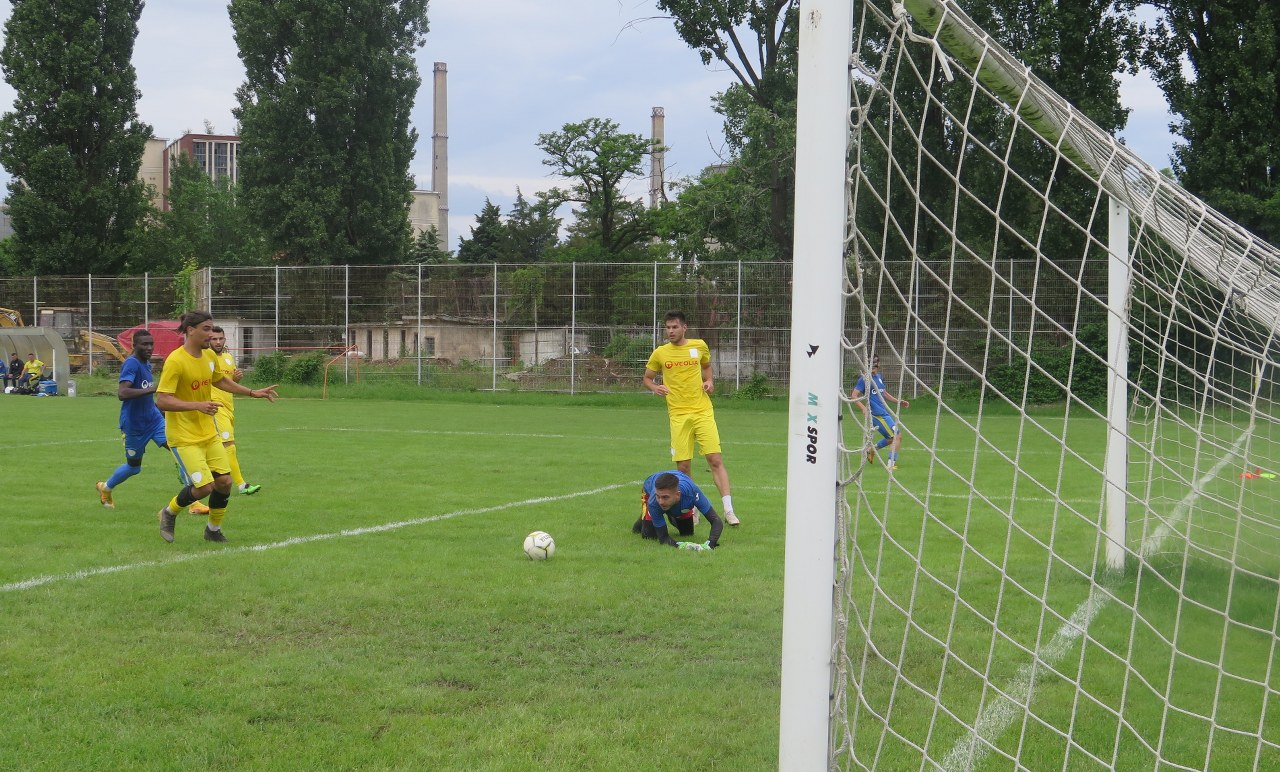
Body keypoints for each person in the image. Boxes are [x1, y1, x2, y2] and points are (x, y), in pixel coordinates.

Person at [154, 311, 278, 544]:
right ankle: (169, 513)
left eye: (212, 329)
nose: (211, 334)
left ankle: (213, 530)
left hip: (209, 433)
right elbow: (162, 400)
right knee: (204, 488)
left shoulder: (210, 355)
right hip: (183, 436)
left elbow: (220, 380)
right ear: (190, 330)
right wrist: (198, 405)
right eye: (206, 329)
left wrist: (253, 392)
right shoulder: (176, 361)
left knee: (225, 482)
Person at [643, 310, 740, 526]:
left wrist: (709, 381)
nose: (670, 331)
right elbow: (647, 378)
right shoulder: (660, 353)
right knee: (683, 467)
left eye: (674, 327)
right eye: (668, 327)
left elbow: (706, 366)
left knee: (715, 460)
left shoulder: (699, 346)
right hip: (678, 415)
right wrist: (655, 387)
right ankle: (693, 509)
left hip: (702, 411)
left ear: (684, 328)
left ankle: (729, 510)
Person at [96, 331, 167, 509]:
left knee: (179, 448)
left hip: (154, 420)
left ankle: (193, 501)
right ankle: (106, 488)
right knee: (134, 467)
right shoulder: (131, 364)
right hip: (134, 426)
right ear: (134, 346)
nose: (149, 348)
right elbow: (123, 393)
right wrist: (153, 389)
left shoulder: (146, 363)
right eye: (145, 344)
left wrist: (161, 411)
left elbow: (145, 395)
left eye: (151, 344)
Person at [208, 326, 262, 495]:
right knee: (228, 445)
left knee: (218, 446)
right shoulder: (206, 359)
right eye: (214, 339)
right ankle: (241, 485)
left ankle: (207, 478)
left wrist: (236, 379)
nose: (218, 342)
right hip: (215, 408)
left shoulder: (228, 358)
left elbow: (227, 383)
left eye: (220, 338)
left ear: (225, 340)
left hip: (229, 407)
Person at [631, 470, 724, 551]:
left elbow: (716, 521)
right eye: (658, 496)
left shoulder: (692, 493)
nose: (661, 502)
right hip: (649, 488)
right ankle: (645, 516)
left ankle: (671, 514)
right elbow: (663, 538)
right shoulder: (654, 502)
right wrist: (684, 546)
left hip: (680, 498)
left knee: (687, 533)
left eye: (665, 497)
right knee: (648, 535)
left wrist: (710, 545)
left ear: (678, 494)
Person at [851, 354, 909, 471]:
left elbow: (884, 393)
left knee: (892, 438)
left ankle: (871, 450)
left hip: (883, 413)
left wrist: (898, 401)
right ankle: (890, 464)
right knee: (897, 436)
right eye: (870, 363)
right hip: (876, 415)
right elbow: (854, 395)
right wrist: (863, 408)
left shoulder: (879, 377)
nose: (872, 366)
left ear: (878, 364)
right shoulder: (864, 379)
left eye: (874, 363)